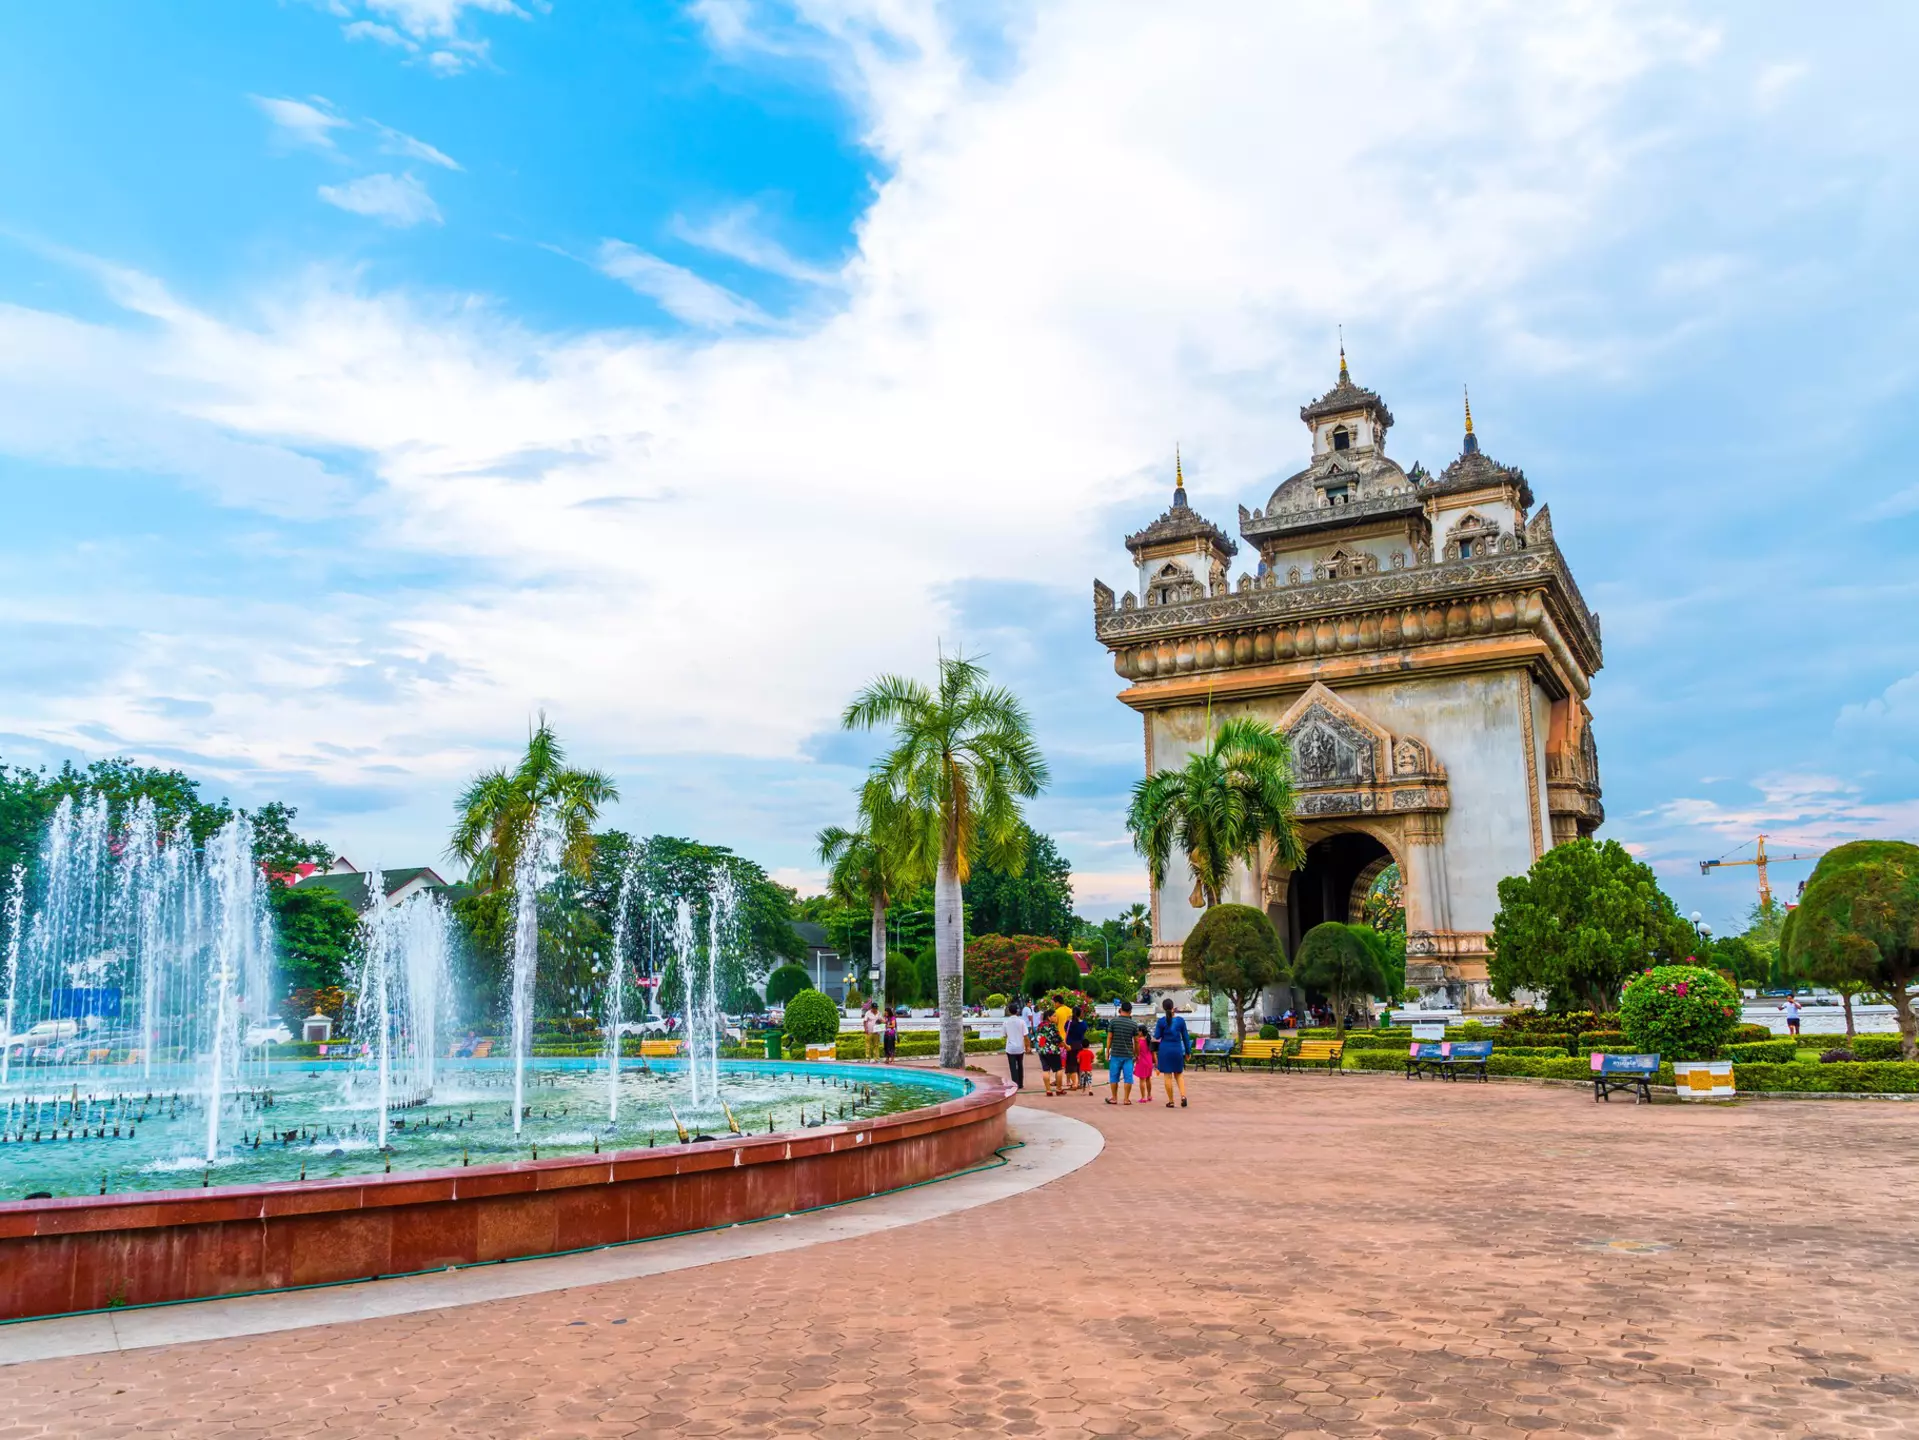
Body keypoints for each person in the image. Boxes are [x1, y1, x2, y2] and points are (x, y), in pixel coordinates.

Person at [1154, 997, 1191, 1109]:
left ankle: (1171, 1101)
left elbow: (1157, 1036)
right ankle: (1183, 1096)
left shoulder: (1161, 1021)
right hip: (1177, 1049)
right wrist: (1188, 1051)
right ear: (1173, 1006)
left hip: (1165, 1050)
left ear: (1163, 1008)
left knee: (1167, 1076)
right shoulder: (1180, 1021)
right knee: (1179, 1074)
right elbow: (1185, 1037)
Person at [1105, 1001, 1140, 1105]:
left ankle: (1114, 1098)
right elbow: (1136, 1041)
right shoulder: (1133, 1024)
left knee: (1114, 1077)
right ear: (1130, 1011)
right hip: (1128, 1055)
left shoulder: (1113, 1022)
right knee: (1128, 1077)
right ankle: (1126, 1099)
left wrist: (1107, 1051)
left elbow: (1109, 1037)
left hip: (1115, 1053)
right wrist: (1136, 1054)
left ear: (1121, 1009)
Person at [1001, 999, 1028, 1089]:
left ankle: (1015, 1083)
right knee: (1020, 1065)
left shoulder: (1006, 1022)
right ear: (1017, 1011)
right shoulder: (1022, 1022)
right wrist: (1028, 1046)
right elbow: (1025, 1036)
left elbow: (1004, 1035)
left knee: (1013, 1066)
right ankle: (1021, 1084)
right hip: (1020, 1047)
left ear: (1009, 1011)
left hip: (1010, 1048)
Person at [1034, 1014, 1063, 1095]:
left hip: (1042, 1050)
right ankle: (1058, 1089)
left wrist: (1043, 1046)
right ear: (1049, 1017)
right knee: (1058, 1069)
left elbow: (1038, 1038)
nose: (1056, 1017)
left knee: (1046, 1070)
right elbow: (1058, 1039)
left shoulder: (1040, 1026)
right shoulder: (1053, 1026)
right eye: (1054, 1016)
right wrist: (1066, 1046)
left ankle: (1048, 1090)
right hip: (1053, 1051)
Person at [1065, 1008, 1089, 1094]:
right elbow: (1084, 1031)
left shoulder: (1069, 1023)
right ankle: (1079, 1082)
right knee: (1079, 1064)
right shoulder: (1083, 1024)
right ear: (1080, 1014)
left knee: (1072, 1064)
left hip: (1070, 1046)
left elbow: (1066, 1031)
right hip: (1080, 1045)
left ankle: (1074, 1083)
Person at [1134, 1020, 1155, 1103]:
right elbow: (1153, 1052)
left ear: (1141, 1032)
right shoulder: (1149, 1040)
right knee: (1148, 1079)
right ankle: (1149, 1095)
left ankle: (1143, 1097)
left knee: (1142, 1080)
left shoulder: (1139, 1041)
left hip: (1142, 1061)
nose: (1137, 1033)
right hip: (1149, 1061)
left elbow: (1136, 1052)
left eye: (1138, 1031)